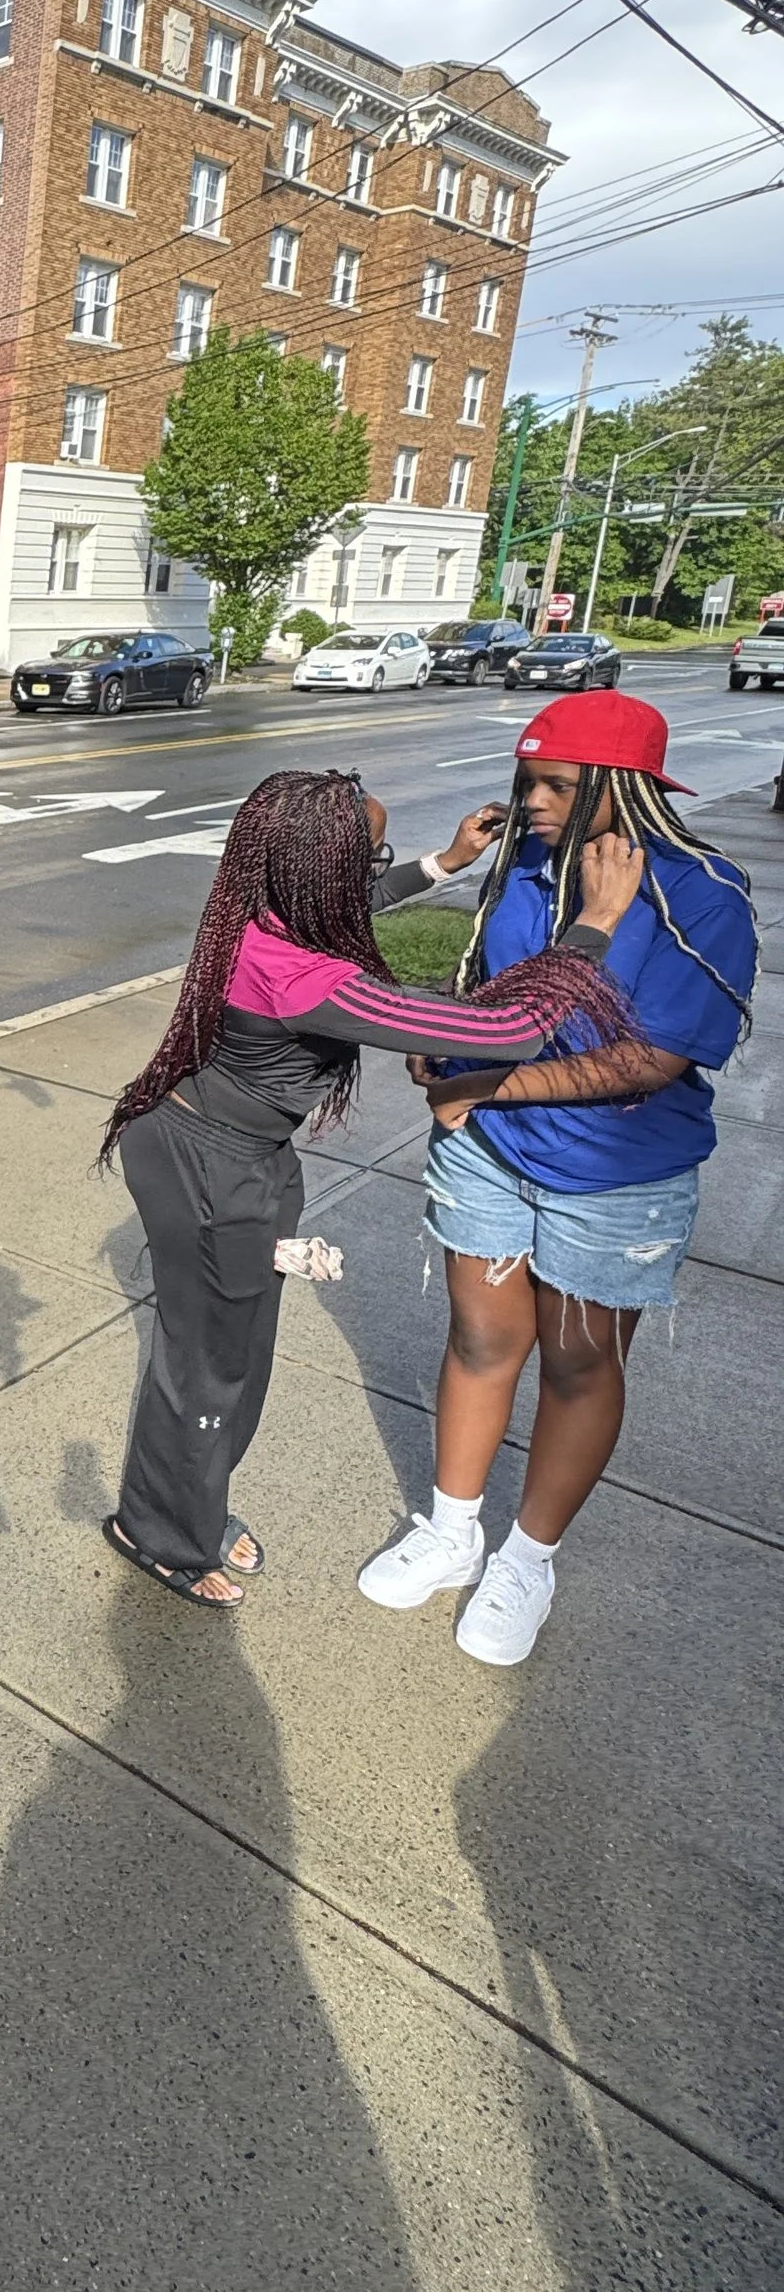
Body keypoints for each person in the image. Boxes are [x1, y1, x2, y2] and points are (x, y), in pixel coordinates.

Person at [97, 769, 640, 1612]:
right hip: (211, 1168)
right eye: (364, 856)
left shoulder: (259, 905)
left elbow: (350, 905)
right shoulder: (308, 981)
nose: (369, 873)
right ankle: (161, 1529)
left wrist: (444, 862)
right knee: (206, 1372)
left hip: (222, 1150)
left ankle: (184, 1505)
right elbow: (506, 1030)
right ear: (315, 868)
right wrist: (593, 926)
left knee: (224, 1358)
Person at [361, 690, 758, 1665]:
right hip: (493, 1156)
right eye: (527, 778)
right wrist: (442, 1039)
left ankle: (527, 1558)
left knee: (579, 1363)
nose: (531, 800)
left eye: (556, 784)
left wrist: (482, 1085)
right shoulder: (529, 867)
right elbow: (493, 990)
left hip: (616, 1174)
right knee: (480, 1338)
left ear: (625, 789)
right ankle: (452, 1532)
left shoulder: (700, 893)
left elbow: (650, 1059)